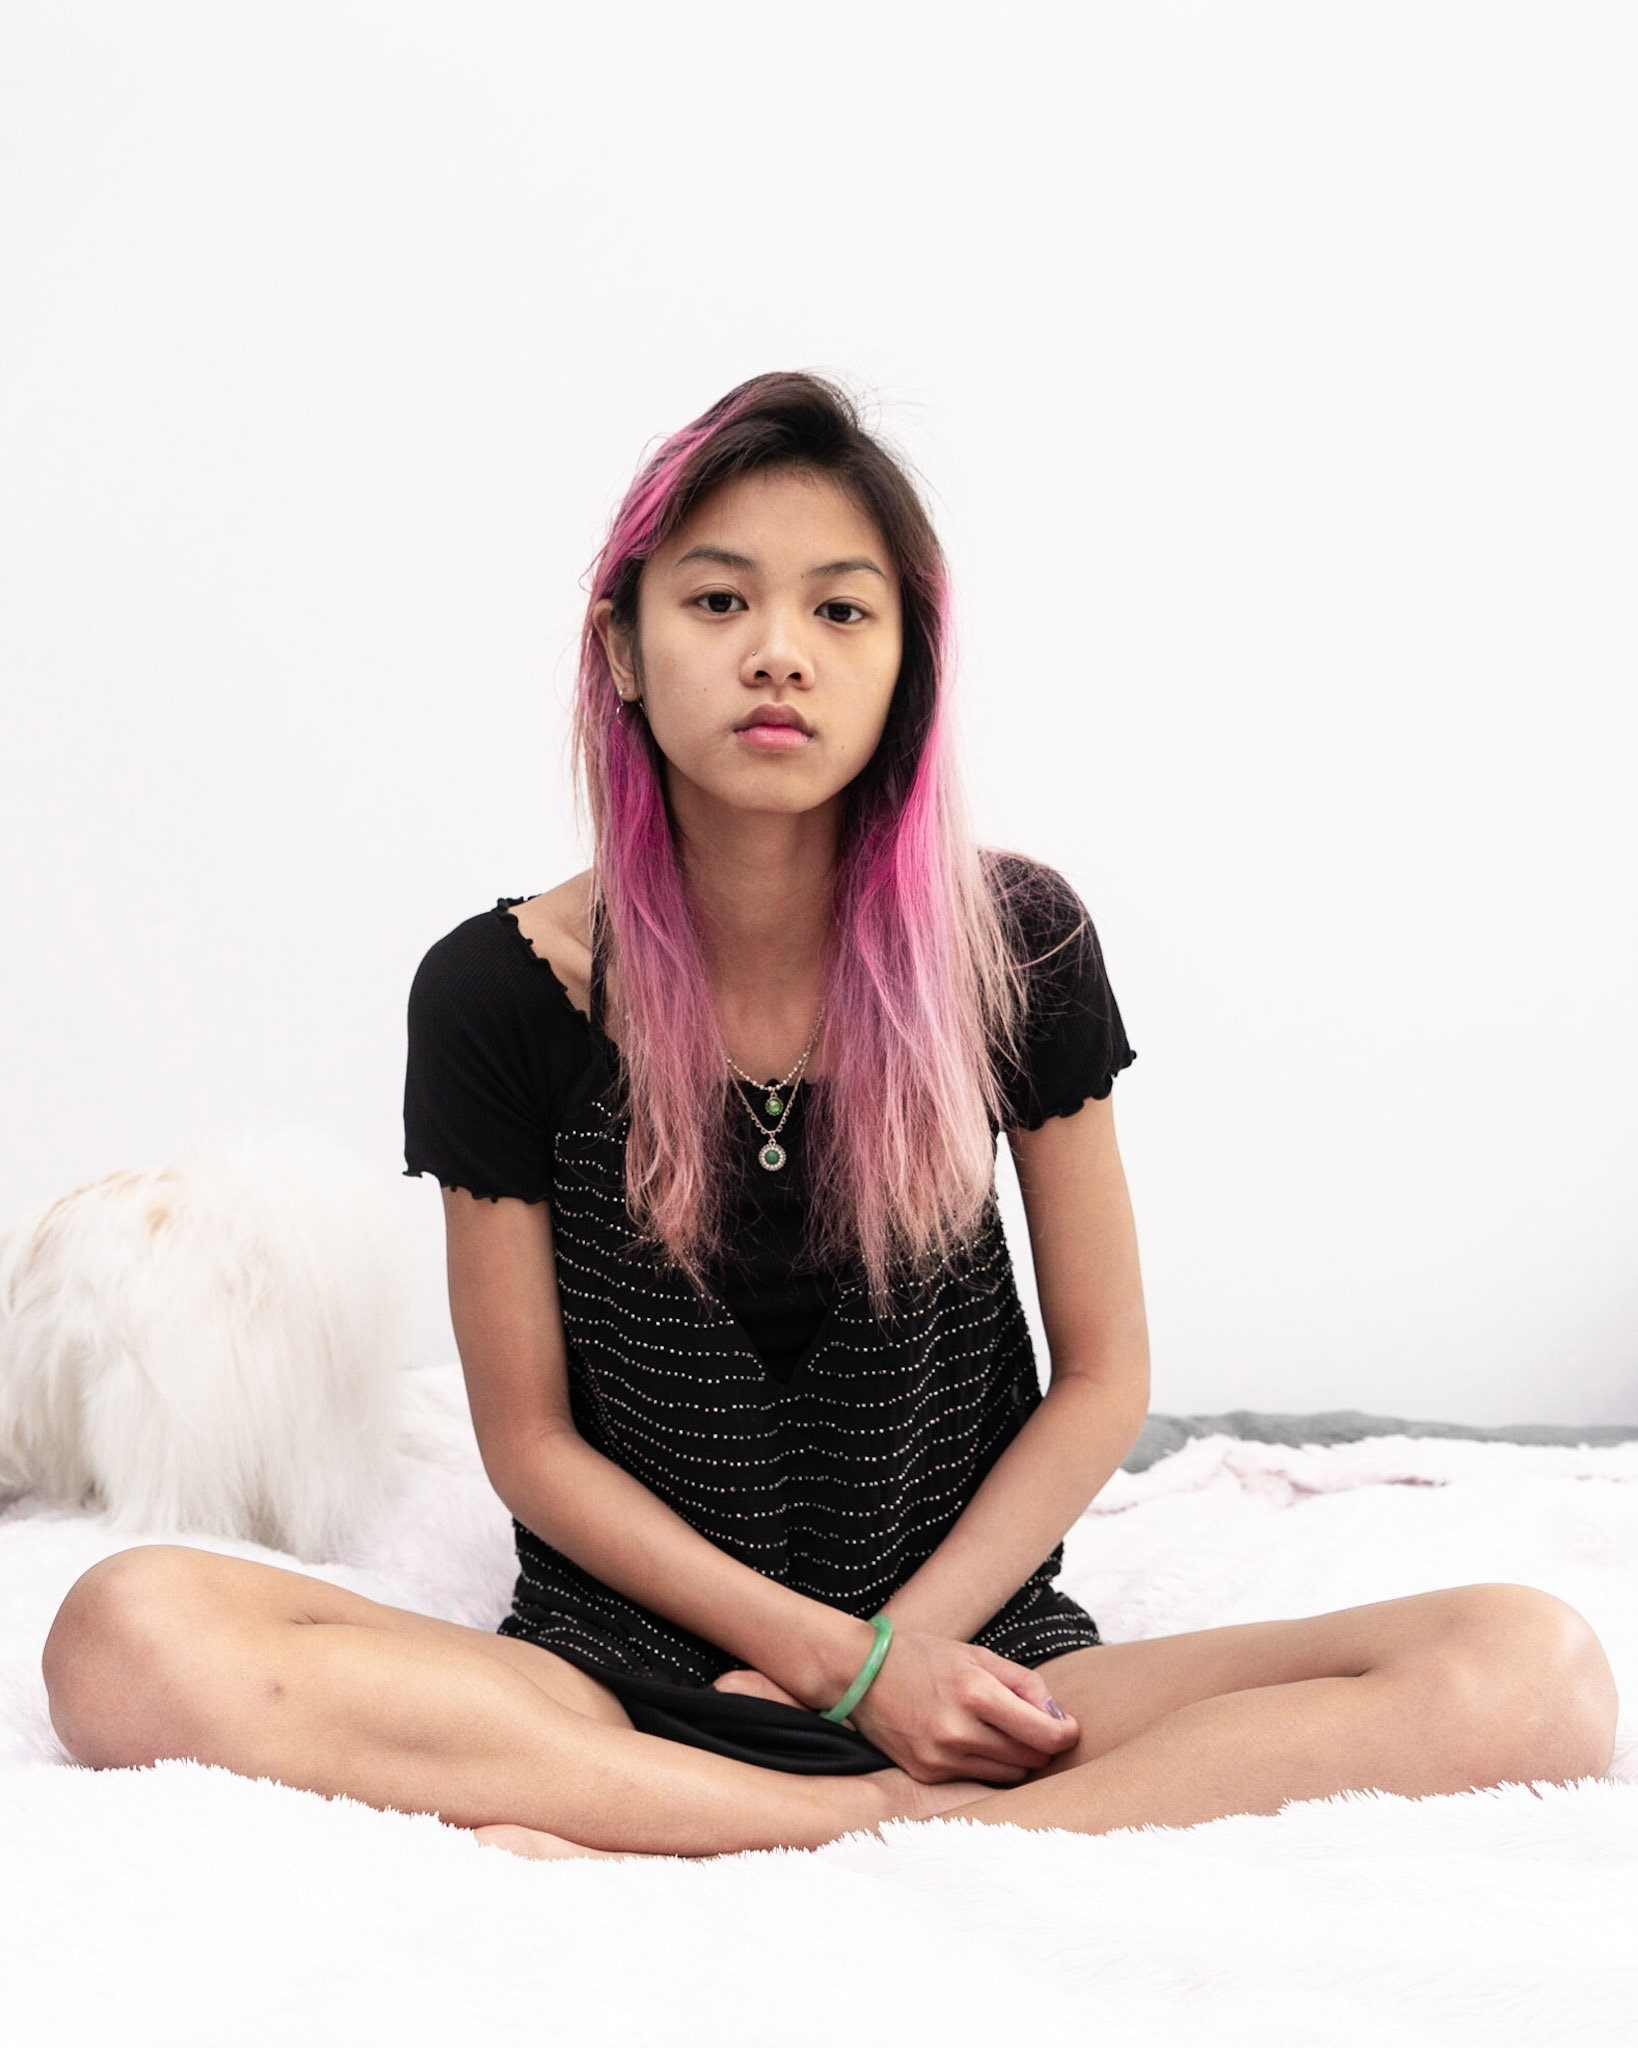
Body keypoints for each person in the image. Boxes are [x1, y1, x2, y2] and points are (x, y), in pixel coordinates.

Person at [40, 372, 1617, 1863]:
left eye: (839, 609)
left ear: (904, 662)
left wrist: (902, 1660)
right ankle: (845, 1829)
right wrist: (830, 1671)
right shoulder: (500, 990)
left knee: (1529, 1670)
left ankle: (797, 1826)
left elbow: (1103, 1377)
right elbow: (526, 1441)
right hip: (616, 1678)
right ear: (621, 648)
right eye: (718, 601)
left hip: (977, 1673)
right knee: (124, 1633)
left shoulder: (1018, 948)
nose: (778, 652)